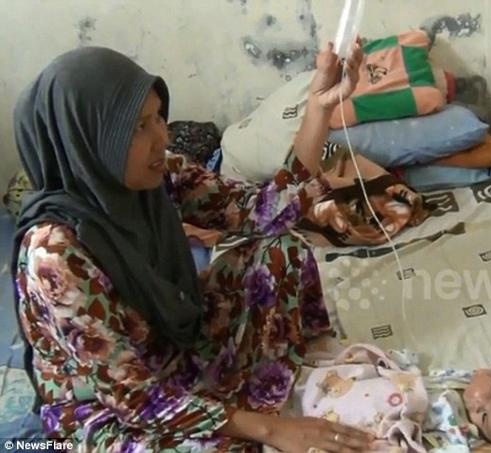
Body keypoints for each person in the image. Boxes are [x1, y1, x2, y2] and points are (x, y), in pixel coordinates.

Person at [11, 40, 376, 452]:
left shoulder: (158, 175)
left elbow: (265, 212)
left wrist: (319, 107)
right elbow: (133, 397)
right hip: (112, 404)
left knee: (280, 251)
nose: (160, 137)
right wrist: (270, 430)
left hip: (177, 346)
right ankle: (245, 410)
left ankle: (284, 377)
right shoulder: (55, 254)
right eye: (138, 128)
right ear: (87, 142)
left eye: (157, 117)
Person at [300, 344, 491, 452]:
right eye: (490, 392)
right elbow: (417, 378)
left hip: (388, 420)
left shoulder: (467, 437)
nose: (477, 404)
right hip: (386, 389)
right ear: (486, 371)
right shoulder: (460, 379)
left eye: (484, 417)